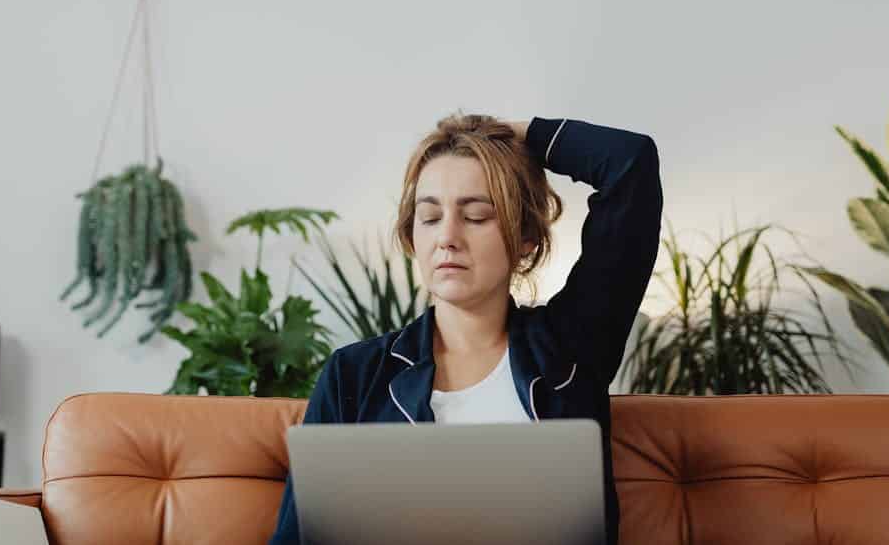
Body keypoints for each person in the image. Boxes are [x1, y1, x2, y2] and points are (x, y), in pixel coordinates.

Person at [268, 114, 663, 545]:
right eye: (430, 217)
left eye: (477, 216)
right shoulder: (355, 373)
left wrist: (502, 132)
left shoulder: (571, 346)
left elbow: (631, 165)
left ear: (526, 235)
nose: (448, 238)